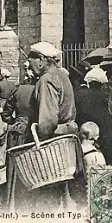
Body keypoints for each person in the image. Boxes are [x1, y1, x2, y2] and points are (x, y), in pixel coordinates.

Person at [25, 41, 82, 211]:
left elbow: (47, 121)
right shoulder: (61, 75)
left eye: (32, 60)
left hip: (53, 147)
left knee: (48, 199)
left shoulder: (46, 80)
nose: (29, 64)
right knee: (65, 195)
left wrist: (39, 144)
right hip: (66, 142)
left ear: (42, 59)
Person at [1, 77, 35, 210]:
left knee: (13, 166)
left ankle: (12, 203)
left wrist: (16, 121)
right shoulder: (40, 90)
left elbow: (6, 114)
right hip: (33, 132)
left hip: (17, 131)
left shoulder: (17, 90)